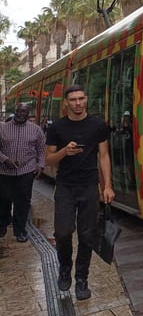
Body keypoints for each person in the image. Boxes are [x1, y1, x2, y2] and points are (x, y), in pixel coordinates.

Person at [45, 84, 114, 301]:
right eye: (73, 100)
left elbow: (104, 156)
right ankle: (65, 267)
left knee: (87, 235)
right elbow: (49, 160)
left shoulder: (97, 125)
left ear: (86, 99)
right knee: (63, 232)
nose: (77, 103)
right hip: (65, 186)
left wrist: (108, 185)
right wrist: (65, 151)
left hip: (88, 187)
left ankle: (82, 278)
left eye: (81, 99)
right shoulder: (57, 127)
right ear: (66, 102)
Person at [0, 103, 46, 242]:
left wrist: (41, 165)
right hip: (4, 171)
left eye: (24, 111)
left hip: (26, 171)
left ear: (28, 114)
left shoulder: (36, 130)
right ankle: (2, 226)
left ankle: (20, 231)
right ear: (15, 112)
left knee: (23, 201)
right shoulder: (2, 128)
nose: (21, 114)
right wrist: (5, 159)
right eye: (18, 111)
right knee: (4, 200)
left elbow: (41, 149)